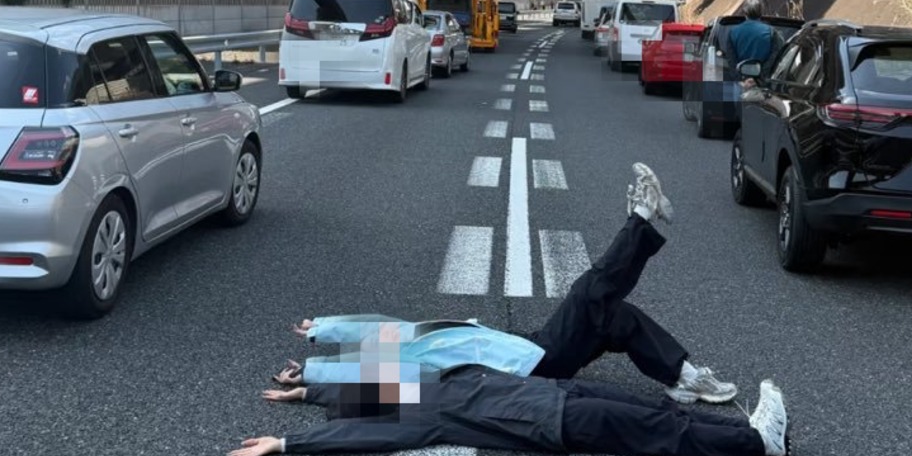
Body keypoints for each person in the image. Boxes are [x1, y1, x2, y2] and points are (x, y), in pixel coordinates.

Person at [267, 164, 738, 407]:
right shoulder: (411, 368)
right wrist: (310, 376)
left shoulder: (410, 336)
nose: (381, 344)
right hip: (530, 369)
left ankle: (683, 378)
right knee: (590, 292)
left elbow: (375, 328)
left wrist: (322, 328)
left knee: (614, 316)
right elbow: (368, 382)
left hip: (527, 347)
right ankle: (640, 216)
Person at [227, 367, 789, 456]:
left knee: (653, 408)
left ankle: (747, 428)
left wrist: (308, 391)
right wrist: (288, 443)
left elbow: (360, 392)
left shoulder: (417, 388)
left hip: (553, 392)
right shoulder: (419, 420)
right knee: (659, 432)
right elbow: (357, 435)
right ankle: (758, 443)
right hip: (552, 423)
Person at [724, 0, 785, 89]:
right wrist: (761, 77)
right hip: (765, 85)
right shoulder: (771, 32)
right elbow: (776, 56)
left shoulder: (733, 32)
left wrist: (741, 80)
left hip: (743, 85)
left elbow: (731, 61)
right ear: (761, 12)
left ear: (745, 12)